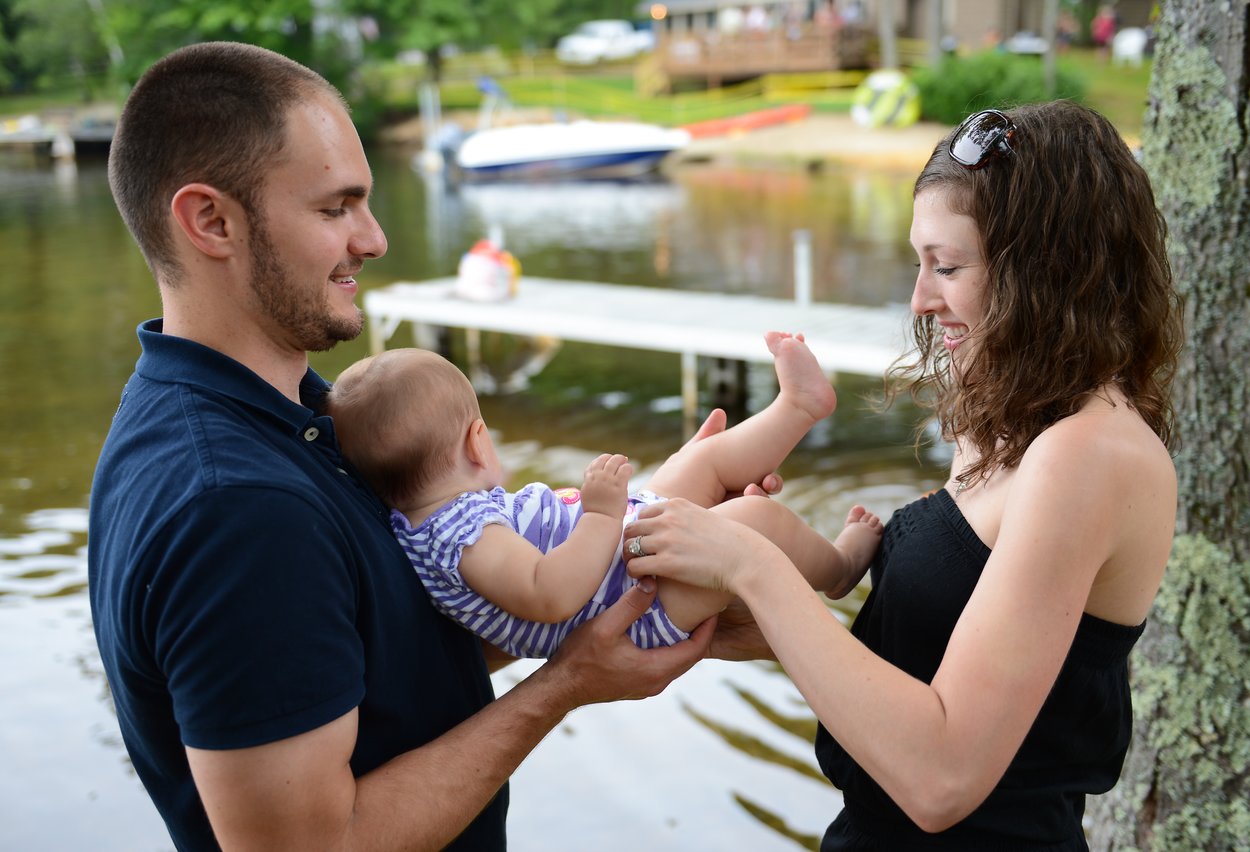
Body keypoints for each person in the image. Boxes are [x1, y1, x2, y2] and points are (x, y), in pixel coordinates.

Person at [86, 41, 774, 852]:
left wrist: (625, 554)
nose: (373, 239)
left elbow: (368, 655)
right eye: (335, 208)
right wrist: (566, 683)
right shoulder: (237, 508)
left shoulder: (273, 412)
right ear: (212, 221)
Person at [621, 100, 1183, 849]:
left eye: (947, 266)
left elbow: (942, 777)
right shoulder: (1017, 424)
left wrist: (755, 567)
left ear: (1049, 271)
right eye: (919, 263)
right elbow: (941, 668)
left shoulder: (1089, 454)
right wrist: (772, 621)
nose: (920, 299)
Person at [327, 337, 883, 658]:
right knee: (750, 519)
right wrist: (600, 512)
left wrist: (623, 513)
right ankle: (838, 569)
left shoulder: (423, 520)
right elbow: (550, 594)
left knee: (701, 460)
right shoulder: (461, 535)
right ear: (478, 441)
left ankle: (798, 406)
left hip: (627, 555)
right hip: (637, 603)